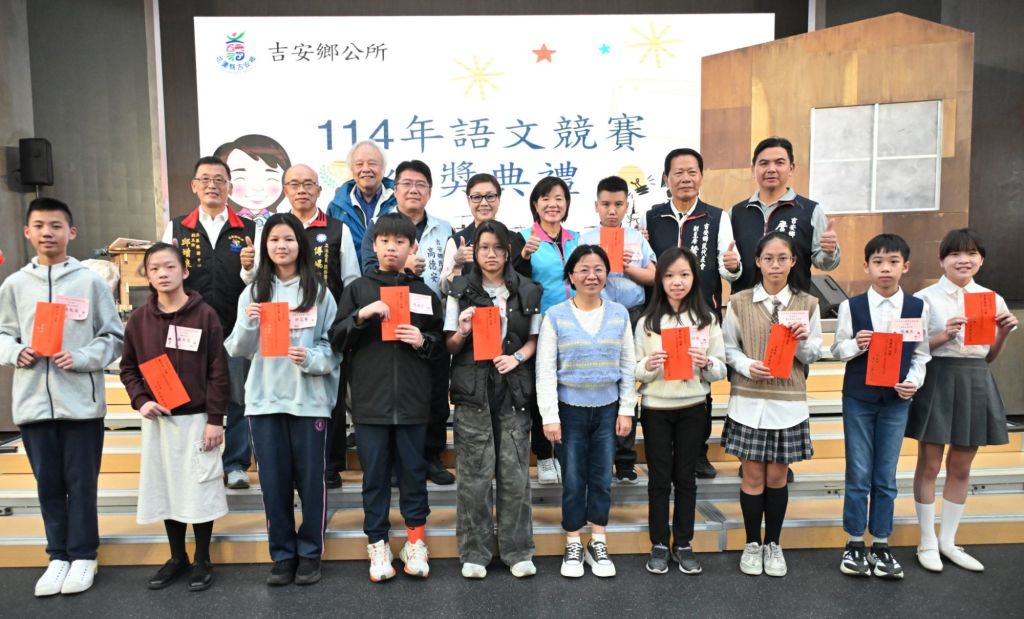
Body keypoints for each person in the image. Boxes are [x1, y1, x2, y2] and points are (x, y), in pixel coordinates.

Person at [0, 198, 124, 596]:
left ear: (71, 232)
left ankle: (84, 554)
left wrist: (83, 357)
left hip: (81, 405)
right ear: (27, 232)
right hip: (33, 404)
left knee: (81, 483)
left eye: (56, 226)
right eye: (39, 226)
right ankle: (58, 556)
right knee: (48, 484)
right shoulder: (15, 285)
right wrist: (14, 351)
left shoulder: (90, 282)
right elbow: (2, 333)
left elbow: (113, 336)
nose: (47, 233)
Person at [224, 213, 341, 587]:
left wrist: (310, 358)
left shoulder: (318, 292)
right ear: (265, 246)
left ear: (300, 244)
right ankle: (283, 554)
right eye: (274, 240)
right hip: (264, 401)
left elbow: (333, 347)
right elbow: (237, 348)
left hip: (308, 401)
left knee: (311, 484)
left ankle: (310, 553)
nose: (281, 246)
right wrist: (250, 321)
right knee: (273, 484)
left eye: (288, 239)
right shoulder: (252, 293)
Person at [330, 212, 444, 582]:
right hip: (370, 403)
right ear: (374, 245)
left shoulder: (423, 293)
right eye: (384, 241)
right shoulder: (358, 290)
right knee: (375, 477)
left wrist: (422, 340)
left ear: (413, 247)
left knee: (413, 473)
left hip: (412, 402)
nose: (391, 248)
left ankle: (415, 541)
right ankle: (377, 544)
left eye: (400, 242)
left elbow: (440, 345)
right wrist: (361, 316)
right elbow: (336, 338)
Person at [240, 164, 361, 489]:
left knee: (329, 392)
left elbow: (351, 279)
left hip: (322, 324)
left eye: (308, 184)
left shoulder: (337, 228)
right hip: (276, 327)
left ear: (319, 190)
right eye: (294, 184)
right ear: (285, 190)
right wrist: (247, 271)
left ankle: (330, 464)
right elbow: (257, 276)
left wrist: (343, 324)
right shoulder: (269, 227)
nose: (302, 190)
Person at [119, 242, 229, 591]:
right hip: (160, 420)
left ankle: (202, 559)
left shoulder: (205, 315)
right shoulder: (139, 320)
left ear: (184, 271)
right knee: (166, 487)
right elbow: (128, 368)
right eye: (154, 268)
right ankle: (177, 556)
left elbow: (218, 370)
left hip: (197, 419)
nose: (162, 274)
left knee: (200, 489)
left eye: (169, 266)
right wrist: (141, 401)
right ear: (147, 276)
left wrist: (215, 419)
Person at [907, 228, 1017, 573]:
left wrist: (1002, 334)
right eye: (955, 254)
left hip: (976, 379)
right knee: (929, 463)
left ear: (981, 260)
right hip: (938, 376)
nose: (963, 260)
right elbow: (914, 350)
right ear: (942, 260)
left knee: (962, 465)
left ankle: (948, 541)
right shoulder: (924, 298)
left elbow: (989, 356)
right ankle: (927, 540)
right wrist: (944, 335)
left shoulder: (991, 298)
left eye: (971, 254)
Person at [723, 231, 822, 578]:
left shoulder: (807, 304)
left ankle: (773, 543)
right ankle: (752, 543)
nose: (775, 265)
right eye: (768, 258)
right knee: (752, 476)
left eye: (782, 258)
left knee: (778, 477)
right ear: (758, 262)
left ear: (793, 261)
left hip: (787, 404)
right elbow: (728, 348)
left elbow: (814, 354)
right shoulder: (739, 302)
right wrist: (747, 365)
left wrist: (803, 343)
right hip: (749, 400)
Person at [446, 220, 541, 580]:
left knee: (515, 474)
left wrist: (516, 358)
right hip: (473, 390)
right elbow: (449, 345)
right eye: (484, 247)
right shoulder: (459, 289)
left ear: (508, 251)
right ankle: (475, 552)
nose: (490, 254)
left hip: (513, 388)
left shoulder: (527, 289)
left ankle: (518, 551)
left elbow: (534, 339)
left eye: (498, 248)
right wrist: (463, 330)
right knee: (474, 476)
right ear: (474, 251)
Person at [832, 234, 931, 580]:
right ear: (866, 267)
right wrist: (855, 345)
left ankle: (882, 543)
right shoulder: (852, 306)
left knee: (886, 475)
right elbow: (837, 350)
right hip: (858, 398)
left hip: (896, 401)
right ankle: (854, 541)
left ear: (906, 266)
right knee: (858, 472)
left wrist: (914, 382)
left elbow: (921, 355)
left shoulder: (917, 307)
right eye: (878, 262)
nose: (885, 269)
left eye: (893, 262)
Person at [537, 245, 636, 578]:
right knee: (573, 479)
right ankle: (573, 541)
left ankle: (598, 541)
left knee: (602, 478)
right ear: (570, 275)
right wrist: (550, 416)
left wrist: (626, 409)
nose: (591, 276)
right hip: (569, 411)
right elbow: (545, 370)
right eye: (583, 269)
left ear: (607, 275)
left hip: (608, 410)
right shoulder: (555, 316)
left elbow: (628, 364)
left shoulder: (620, 314)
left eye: (598, 269)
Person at [644, 149, 741, 480]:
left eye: (692, 172)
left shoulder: (717, 217)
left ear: (701, 176)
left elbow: (729, 269)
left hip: (701, 314)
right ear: (666, 178)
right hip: (661, 314)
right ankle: (663, 452)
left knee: (700, 379)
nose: (685, 178)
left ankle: (697, 453)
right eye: (678, 173)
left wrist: (732, 267)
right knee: (662, 376)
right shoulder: (652, 217)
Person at [162, 156, 257, 490]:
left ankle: (236, 464)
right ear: (194, 186)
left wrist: (249, 267)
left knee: (238, 397)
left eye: (219, 179)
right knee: (193, 395)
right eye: (205, 179)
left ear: (230, 187)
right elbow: (164, 274)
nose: (212, 185)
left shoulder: (250, 229)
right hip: (190, 327)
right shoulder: (177, 227)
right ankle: (198, 461)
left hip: (236, 326)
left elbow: (257, 282)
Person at [361, 160, 456, 485]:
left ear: (429, 191)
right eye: (406, 183)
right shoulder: (379, 225)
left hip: (430, 318)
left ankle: (431, 455)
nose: (413, 190)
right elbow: (368, 268)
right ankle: (391, 461)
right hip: (386, 320)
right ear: (395, 189)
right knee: (393, 393)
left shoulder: (444, 228)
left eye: (421, 184)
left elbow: (450, 277)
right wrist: (403, 269)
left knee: (434, 389)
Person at [634, 247, 726, 575]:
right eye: (670, 275)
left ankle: (684, 542)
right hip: (656, 408)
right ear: (660, 280)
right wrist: (648, 365)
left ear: (694, 278)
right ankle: (659, 542)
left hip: (693, 407)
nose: (677, 282)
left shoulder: (706, 319)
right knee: (659, 478)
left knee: (686, 478)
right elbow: (634, 370)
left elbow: (721, 369)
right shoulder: (647, 322)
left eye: (684, 274)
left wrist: (707, 362)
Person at [580, 175, 656, 484]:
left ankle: (625, 459)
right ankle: (598, 457)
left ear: (627, 206)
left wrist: (626, 267)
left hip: (632, 316)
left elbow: (653, 276)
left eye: (618, 204)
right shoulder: (585, 239)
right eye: (606, 204)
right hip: (596, 315)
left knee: (627, 382)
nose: (612, 211)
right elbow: (572, 276)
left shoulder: (637, 238)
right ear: (596, 206)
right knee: (599, 381)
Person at [519, 176, 579, 484]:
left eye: (559, 198)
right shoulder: (523, 238)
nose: (552, 204)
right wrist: (523, 256)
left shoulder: (577, 238)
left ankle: (568, 453)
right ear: (535, 204)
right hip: (540, 326)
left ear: (567, 204)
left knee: (569, 389)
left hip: (576, 324)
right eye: (545, 198)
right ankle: (543, 455)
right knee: (540, 388)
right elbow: (514, 280)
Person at [730, 136, 840, 294]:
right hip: (746, 303)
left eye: (779, 163)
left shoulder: (810, 210)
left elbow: (826, 264)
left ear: (791, 168)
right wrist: (730, 267)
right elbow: (727, 266)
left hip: (794, 303)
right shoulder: (736, 213)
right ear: (753, 169)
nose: (771, 169)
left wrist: (829, 251)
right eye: (764, 163)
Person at [439, 173, 529, 295]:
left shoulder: (514, 239)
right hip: (469, 306)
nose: (484, 203)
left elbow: (525, 284)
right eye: (477, 197)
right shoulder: (457, 241)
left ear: (499, 199)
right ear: (468, 201)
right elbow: (444, 289)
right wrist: (456, 262)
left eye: (490, 196)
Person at [326, 140, 397, 251]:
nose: (366, 169)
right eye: (359, 164)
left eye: (372, 163)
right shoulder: (336, 206)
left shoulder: (398, 201)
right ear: (351, 169)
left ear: (384, 168)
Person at [213, 134, 292, 226]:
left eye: (270, 179)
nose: (257, 188)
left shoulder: (283, 222)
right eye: (241, 178)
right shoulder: (222, 222)